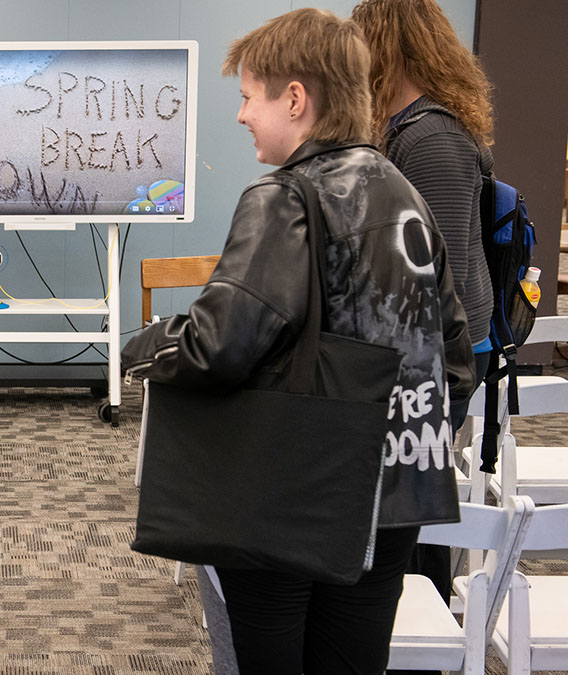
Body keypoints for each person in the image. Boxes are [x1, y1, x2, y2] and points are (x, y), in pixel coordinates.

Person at [120, 9, 474, 675]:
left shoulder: (285, 196)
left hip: (294, 492)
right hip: (395, 488)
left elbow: (221, 342)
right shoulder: (403, 190)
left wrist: (141, 347)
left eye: (249, 96)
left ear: (295, 98)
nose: (241, 116)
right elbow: (454, 351)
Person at [352, 0, 496, 621]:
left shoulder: (431, 138)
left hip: (440, 364)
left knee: (414, 509)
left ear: (387, 49)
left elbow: (434, 283)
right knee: (410, 505)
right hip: (426, 362)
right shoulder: (409, 130)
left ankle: (424, 634)